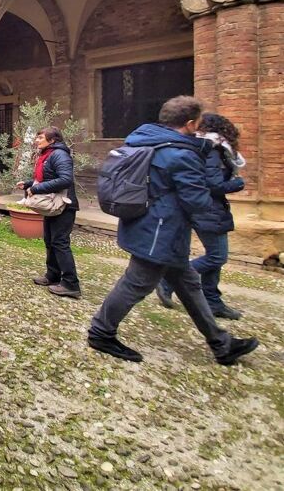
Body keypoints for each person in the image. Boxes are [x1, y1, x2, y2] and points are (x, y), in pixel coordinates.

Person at [88, 96, 259, 366]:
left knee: (189, 285)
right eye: (199, 123)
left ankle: (220, 343)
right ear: (190, 124)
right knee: (136, 283)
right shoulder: (180, 154)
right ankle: (100, 332)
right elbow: (197, 200)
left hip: (152, 224)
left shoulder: (147, 140)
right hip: (161, 230)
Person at [156, 113, 247, 319]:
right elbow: (212, 184)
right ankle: (169, 279)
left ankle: (213, 301)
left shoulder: (205, 148)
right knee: (217, 256)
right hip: (208, 209)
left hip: (209, 209)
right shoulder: (213, 151)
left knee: (215, 259)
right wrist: (238, 184)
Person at [18, 126, 81, 298]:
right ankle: (53, 275)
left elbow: (65, 179)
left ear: (52, 141)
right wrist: (30, 183)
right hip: (53, 205)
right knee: (50, 240)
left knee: (60, 242)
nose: (37, 140)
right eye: (37, 137)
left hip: (64, 205)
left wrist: (37, 189)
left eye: (40, 137)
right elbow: (49, 178)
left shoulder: (59, 155)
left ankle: (71, 283)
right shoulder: (47, 155)